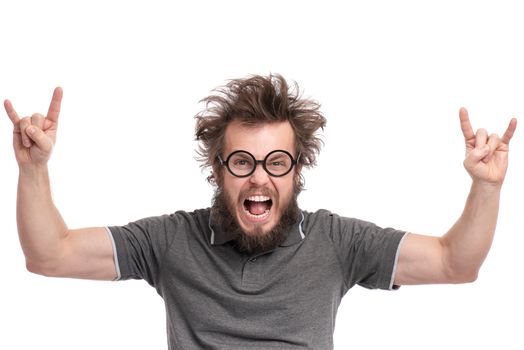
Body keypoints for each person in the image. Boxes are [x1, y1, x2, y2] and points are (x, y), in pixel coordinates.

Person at [4, 74, 517, 349]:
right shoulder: (170, 241)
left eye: (276, 162)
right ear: (219, 168)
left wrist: (487, 188)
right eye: (243, 161)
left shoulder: (338, 243)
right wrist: (33, 170)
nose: (259, 177)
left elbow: (456, 264)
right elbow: (50, 255)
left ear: (297, 170)